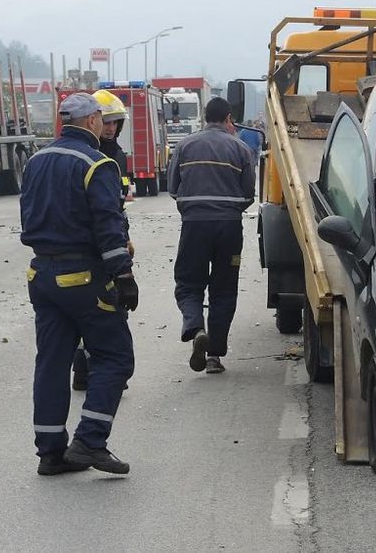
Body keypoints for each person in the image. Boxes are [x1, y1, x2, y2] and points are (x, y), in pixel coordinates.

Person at [20, 92, 139, 475]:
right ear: (91, 122)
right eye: (101, 120)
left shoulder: (35, 161)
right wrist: (123, 275)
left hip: (42, 275)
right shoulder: (97, 163)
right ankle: (89, 442)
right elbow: (107, 226)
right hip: (84, 277)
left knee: (52, 363)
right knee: (115, 356)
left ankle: (51, 453)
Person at [168, 97, 255, 375]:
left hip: (194, 226)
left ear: (206, 117)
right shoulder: (241, 148)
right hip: (229, 228)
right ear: (228, 118)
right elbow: (247, 195)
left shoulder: (184, 146)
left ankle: (195, 329)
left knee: (188, 283)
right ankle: (214, 356)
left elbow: (172, 189)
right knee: (224, 288)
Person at [69, 89, 134, 392]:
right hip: (96, 245)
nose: (110, 129)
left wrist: (126, 237)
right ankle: (98, 372)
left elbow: (117, 205)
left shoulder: (117, 154)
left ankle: (88, 369)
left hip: (112, 237)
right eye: (106, 123)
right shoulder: (92, 156)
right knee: (105, 308)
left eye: (115, 123)